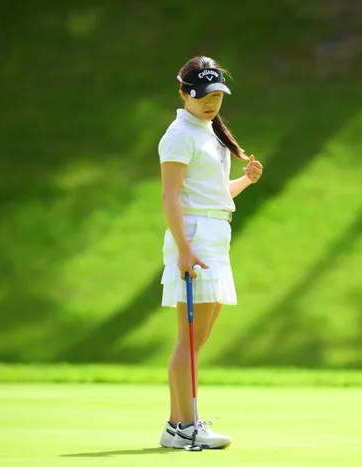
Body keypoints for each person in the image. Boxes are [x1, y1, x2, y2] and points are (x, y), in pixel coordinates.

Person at [156, 56, 263, 450]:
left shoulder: (209, 133)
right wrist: (184, 250)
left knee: (196, 341)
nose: (211, 102)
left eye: (217, 95)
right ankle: (185, 426)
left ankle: (177, 426)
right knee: (189, 340)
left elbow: (213, 196)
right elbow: (170, 197)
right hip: (195, 238)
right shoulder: (179, 135)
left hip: (214, 236)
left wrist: (244, 182)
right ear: (184, 93)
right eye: (203, 95)